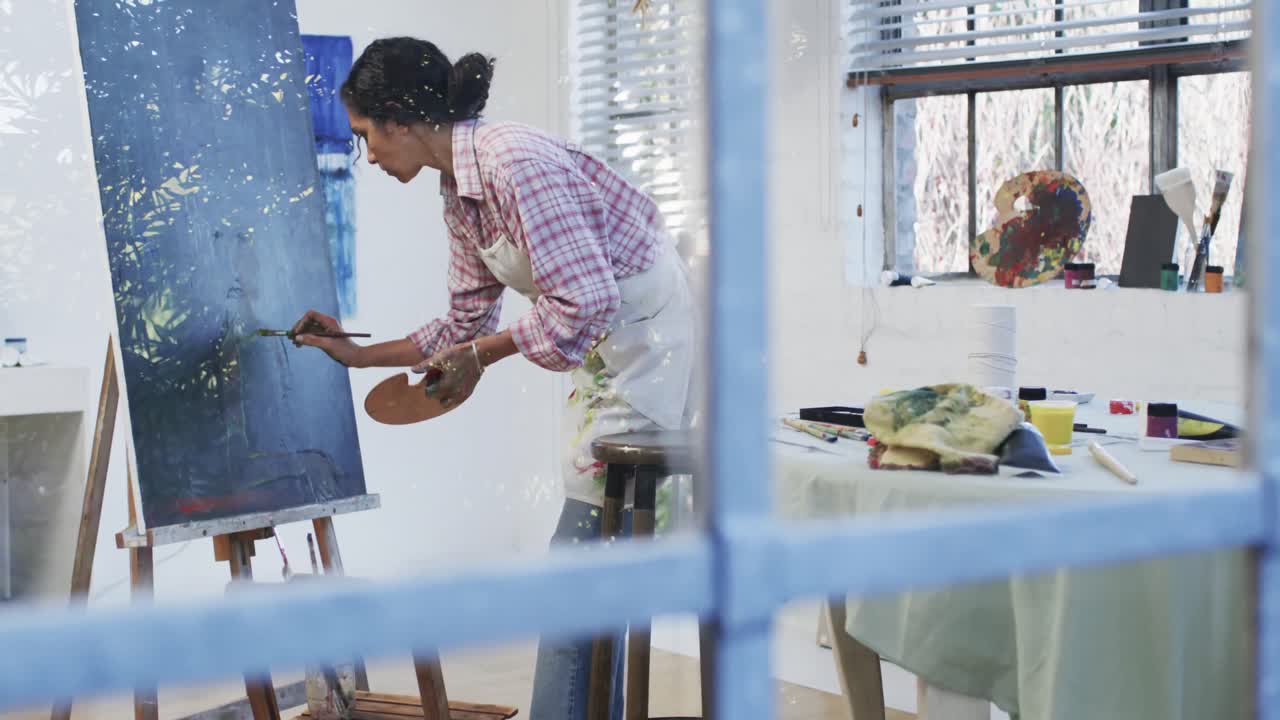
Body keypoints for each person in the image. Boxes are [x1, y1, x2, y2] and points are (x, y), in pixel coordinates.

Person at [290, 37, 694, 720]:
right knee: (597, 561)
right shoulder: (459, 191)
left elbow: (587, 300)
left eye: (365, 136)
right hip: (607, 350)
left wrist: (486, 354)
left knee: (582, 560)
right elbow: (462, 322)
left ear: (399, 118)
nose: (368, 155)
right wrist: (355, 355)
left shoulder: (514, 162)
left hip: (651, 341)